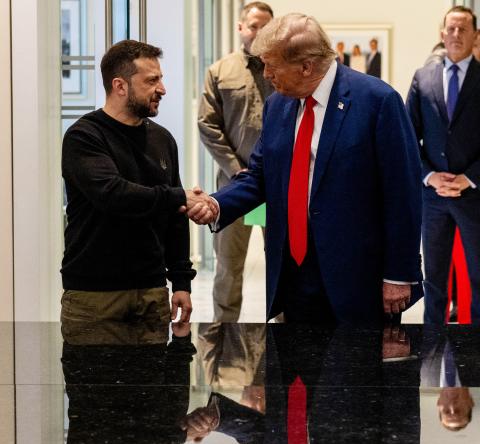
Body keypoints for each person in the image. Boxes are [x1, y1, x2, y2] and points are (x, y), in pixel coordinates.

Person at [188, 14, 422, 326]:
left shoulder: (377, 101)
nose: (267, 74)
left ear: (306, 66)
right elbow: (260, 175)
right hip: (293, 272)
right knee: (296, 369)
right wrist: (216, 203)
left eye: (272, 65)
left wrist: (399, 274)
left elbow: (402, 193)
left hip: (356, 276)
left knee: (356, 371)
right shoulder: (278, 105)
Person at [61, 40, 216, 344]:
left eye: (161, 78)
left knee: (154, 391)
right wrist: (179, 196)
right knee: (96, 391)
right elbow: (113, 194)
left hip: (152, 294)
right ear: (120, 86)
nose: (162, 89)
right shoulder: (84, 136)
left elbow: (174, 217)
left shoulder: (163, 139)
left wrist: (181, 281)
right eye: (151, 81)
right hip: (94, 298)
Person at [198, 2, 274, 324]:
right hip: (234, 188)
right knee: (229, 268)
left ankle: (290, 346)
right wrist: (235, 169)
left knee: (285, 267)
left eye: (266, 27)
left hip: (278, 189)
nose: (259, 32)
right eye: (254, 25)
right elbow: (207, 124)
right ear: (241, 27)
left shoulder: (283, 69)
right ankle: (223, 340)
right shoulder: (219, 71)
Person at [406, 6, 480, 325]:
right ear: (441, 33)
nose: (456, 35)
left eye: (464, 29)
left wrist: (469, 178)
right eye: (451, 29)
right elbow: (409, 137)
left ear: (475, 36)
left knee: (478, 278)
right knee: (434, 281)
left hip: (474, 197)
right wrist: (429, 175)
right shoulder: (424, 78)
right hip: (434, 198)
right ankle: (432, 350)